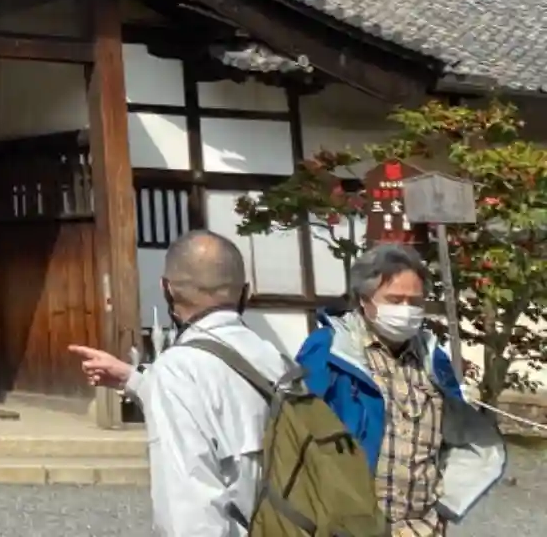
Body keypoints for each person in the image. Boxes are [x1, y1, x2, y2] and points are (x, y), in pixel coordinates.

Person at [69, 230, 288, 537]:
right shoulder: (276, 359)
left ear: (167, 289)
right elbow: (228, 408)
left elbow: (189, 514)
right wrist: (133, 379)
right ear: (246, 292)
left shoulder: (178, 370)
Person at [296, 243, 505, 536]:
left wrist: (445, 504)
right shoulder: (329, 351)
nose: (406, 310)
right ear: (364, 300)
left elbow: (459, 434)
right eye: (394, 300)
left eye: (415, 302)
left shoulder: (433, 358)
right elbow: (297, 437)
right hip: (348, 528)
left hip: (422, 528)